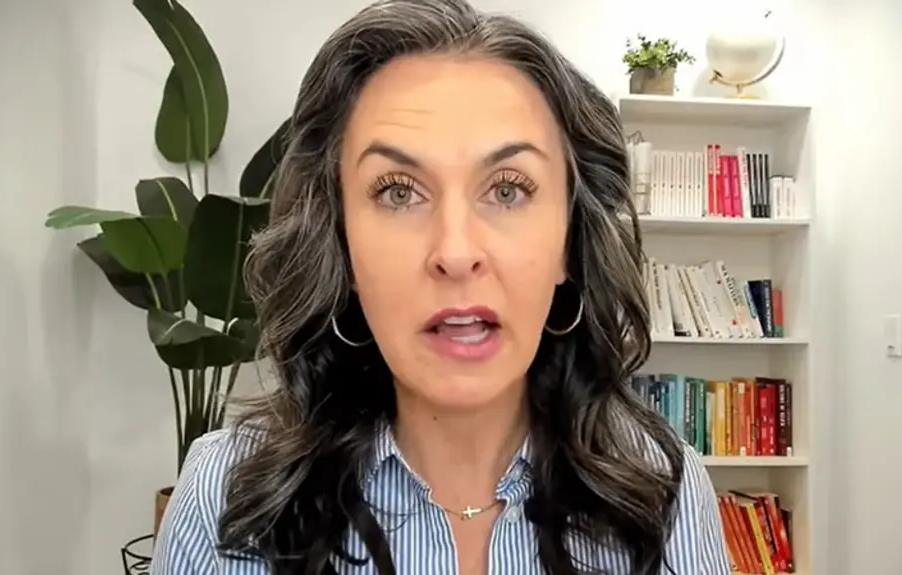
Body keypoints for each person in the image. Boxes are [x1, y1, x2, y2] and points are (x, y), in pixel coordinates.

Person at [152, 0, 730, 573]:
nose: (455, 253)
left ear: (570, 244)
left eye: (507, 190)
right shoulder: (223, 499)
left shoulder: (663, 494)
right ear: (342, 243)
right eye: (399, 192)